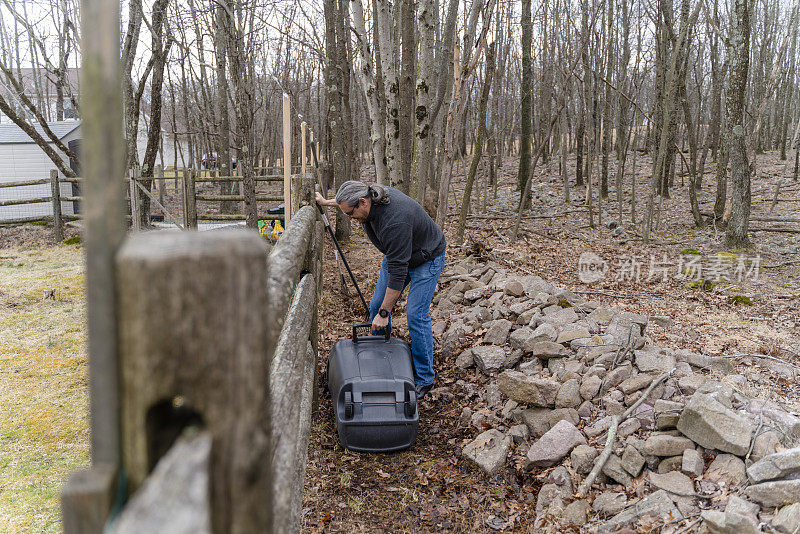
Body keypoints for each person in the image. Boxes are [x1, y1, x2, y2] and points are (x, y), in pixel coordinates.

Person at [316, 181, 446, 399]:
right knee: (376, 305)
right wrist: (327, 202)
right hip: (399, 256)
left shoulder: (395, 221)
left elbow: (397, 275)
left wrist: (385, 314)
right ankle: (384, 360)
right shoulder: (367, 197)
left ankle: (424, 378)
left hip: (426, 259)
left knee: (415, 315)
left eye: (351, 213)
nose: (350, 218)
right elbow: (347, 203)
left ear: (364, 203)